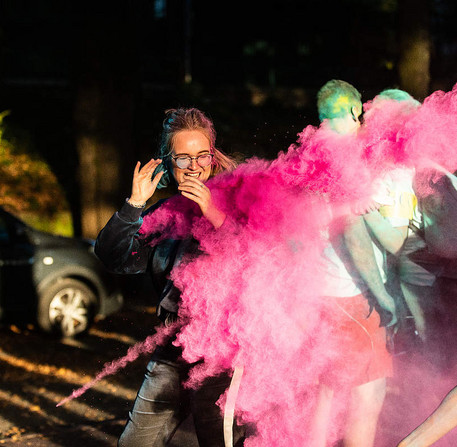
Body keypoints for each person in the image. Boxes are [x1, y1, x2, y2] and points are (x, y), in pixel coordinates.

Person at [94, 107, 243, 447]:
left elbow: (262, 259)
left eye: (201, 155)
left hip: (223, 357)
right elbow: (113, 257)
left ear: (213, 156)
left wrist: (214, 214)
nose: (194, 166)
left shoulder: (237, 200)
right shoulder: (165, 213)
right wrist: (133, 204)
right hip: (171, 350)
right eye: (183, 158)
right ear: (167, 162)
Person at [310, 80, 401, 447]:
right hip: (351, 297)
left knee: (328, 395)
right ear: (356, 110)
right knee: (367, 397)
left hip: (320, 294)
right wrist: (383, 294)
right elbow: (357, 238)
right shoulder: (363, 164)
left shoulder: (318, 160)